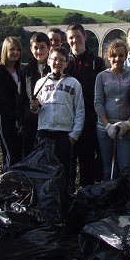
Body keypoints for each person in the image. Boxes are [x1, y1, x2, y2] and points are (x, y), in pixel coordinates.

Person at [31, 46, 85, 203]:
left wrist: (74, 135)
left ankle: (66, 200)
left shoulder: (74, 83)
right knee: (43, 169)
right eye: (55, 59)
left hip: (64, 133)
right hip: (44, 131)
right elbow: (37, 108)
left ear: (66, 64)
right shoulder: (41, 82)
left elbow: (80, 111)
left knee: (65, 170)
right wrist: (34, 107)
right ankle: (45, 202)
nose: (58, 63)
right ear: (48, 61)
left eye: (62, 60)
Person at [65, 23, 106, 186]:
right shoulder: (64, 62)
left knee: (87, 159)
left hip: (90, 117)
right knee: (69, 160)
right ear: (67, 40)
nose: (75, 40)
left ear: (85, 37)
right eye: (71, 38)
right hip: (69, 117)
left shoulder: (97, 62)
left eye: (78, 36)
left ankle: (87, 194)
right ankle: (68, 195)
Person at [94, 39, 130, 180]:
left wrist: (128, 123)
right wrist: (107, 126)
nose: (117, 59)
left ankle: (126, 199)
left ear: (125, 56)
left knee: (127, 167)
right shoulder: (101, 76)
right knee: (108, 168)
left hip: (126, 128)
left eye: (121, 55)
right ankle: (109, 198)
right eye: (113, 55)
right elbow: (98, 102)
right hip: (105, 128)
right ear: (108, 56)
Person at [17, 32, 51, 158]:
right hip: (30, 124)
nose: (39, 51)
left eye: (42, 47)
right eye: (35, 48)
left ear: (49, 48)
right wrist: (21, 123)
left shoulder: (55, 68)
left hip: (50, 123)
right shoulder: (26, 70)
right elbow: (21, 98)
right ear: (31, 49)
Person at [0, 36, 23, 168]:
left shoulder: (21, 70)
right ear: (5, 50)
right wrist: (15, 116)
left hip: (20, 119)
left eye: (18, 49)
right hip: (6, 119)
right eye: (12, 49)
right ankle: (6, 186)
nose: (15, 52)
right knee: (11, 156)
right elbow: (2, 98)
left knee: (20, 154)